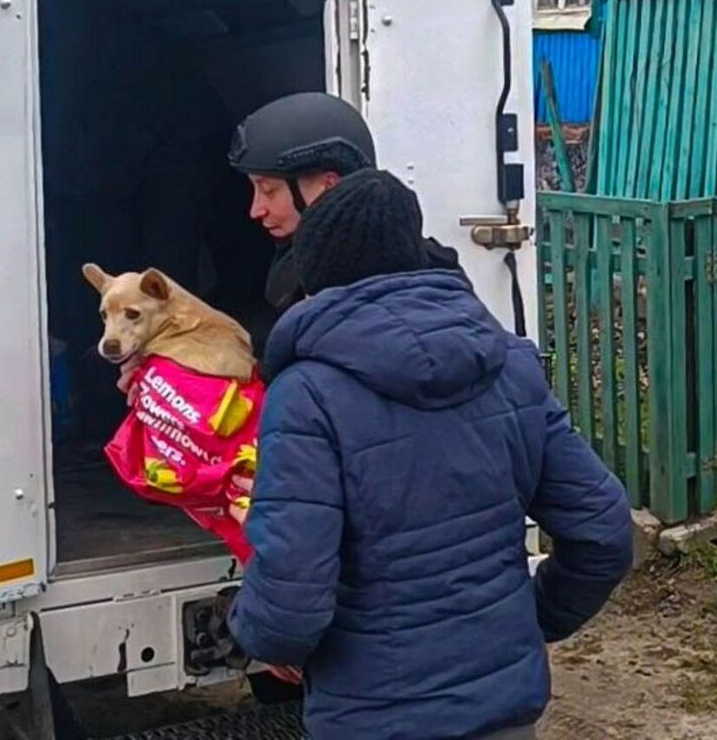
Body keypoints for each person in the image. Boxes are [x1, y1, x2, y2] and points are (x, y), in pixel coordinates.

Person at [223, 169, 633, 740]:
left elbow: (292, 600)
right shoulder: (510, 366)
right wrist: (534, 617)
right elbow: (606, 530)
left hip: (374, 717)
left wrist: (260, 635)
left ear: (316, 276)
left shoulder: (308, 396)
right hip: (504, 710)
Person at [227, 92, 462, 333]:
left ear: (329, 186)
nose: (255, 210)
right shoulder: (444, 284)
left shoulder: (360, 312)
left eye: (269, 190)